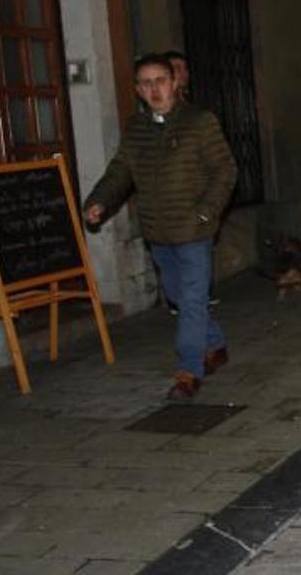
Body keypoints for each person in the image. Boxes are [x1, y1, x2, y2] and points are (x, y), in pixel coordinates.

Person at [83, 53, 237, 400]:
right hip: (158, 231)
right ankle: (215, 344)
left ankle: (188, 370)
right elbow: (120, 171)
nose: (154, 89)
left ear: (175, 82)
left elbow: (225, 170)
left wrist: (206, 212)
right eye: (146, 83)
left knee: (193, 299)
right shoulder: (137, 129)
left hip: (194, 229)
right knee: (178, 295)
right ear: (138, 90)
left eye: (160, 81)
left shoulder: (199, 121)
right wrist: (99, 201)